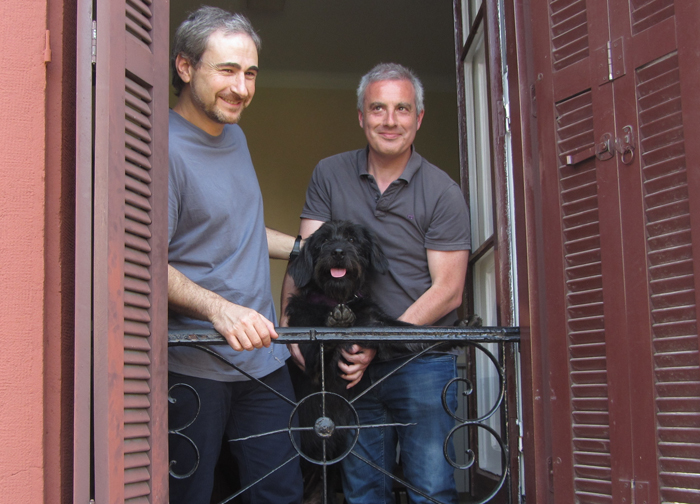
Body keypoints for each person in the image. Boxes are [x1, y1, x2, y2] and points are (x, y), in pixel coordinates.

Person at [282, 63, 471, 503]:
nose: (390, 120)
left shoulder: (442, 191)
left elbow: (448, 290)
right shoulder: (330, 174)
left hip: (421, 362)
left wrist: (376, 342)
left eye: (402, 109)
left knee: (430, 488)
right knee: (363, 489)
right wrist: (293, 331)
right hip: (351, 364)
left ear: (418, 118)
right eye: (378, 108)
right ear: (361, 116)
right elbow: (305, 257)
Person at [167, 7, 303, 504]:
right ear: (185, 67)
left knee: (281, 494)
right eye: (227, 70)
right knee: (190, 495)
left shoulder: (235, 136)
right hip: (194, 364)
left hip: (263, 363)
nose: (241, 88)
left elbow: (236, 229)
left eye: (250, 73)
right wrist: (220, 310)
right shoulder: (161, 149)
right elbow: (140, 262)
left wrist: (307, 249)